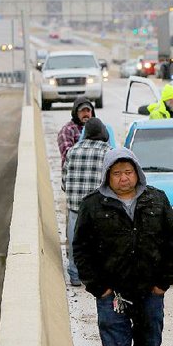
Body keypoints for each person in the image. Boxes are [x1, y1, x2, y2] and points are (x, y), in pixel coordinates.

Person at [72, 147, 173, 346]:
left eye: (128, 172)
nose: (123, 178)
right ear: (108, 176)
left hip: (150, 292)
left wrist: (163, 283)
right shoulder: (93, 205)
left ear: (137, 173)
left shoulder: (156, 199)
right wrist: (99, 288)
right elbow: (81, 249)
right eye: (117, 173)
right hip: (112, 294)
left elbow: (172, 242)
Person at [62, 117, 112, 286]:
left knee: (76, 241)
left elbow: (64, 180)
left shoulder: (73, 151)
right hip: (99, 206)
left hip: (75, 205)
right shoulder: (108, 152)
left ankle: (75, 276)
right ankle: (97, 277)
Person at [57, 97, 94, 168]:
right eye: (82, 111)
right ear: (76, 112)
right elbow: (67, 154)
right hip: (74, 172)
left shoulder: (97, 128)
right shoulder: (67, 130)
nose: (86, 114)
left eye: (88, 111)